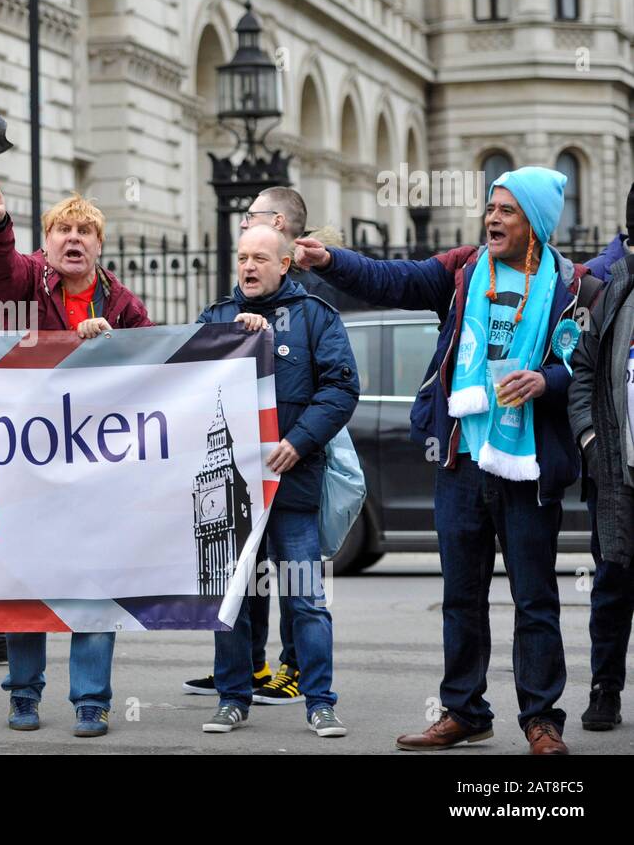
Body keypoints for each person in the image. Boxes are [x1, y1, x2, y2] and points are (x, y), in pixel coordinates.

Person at [296, 166, 594, 755]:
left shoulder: (572, 286)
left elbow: (581, 368)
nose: (492, 219)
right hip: (460, 459)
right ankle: (464, 711)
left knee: (534, 598)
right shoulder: (461, 271)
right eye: (490, 208)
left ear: (533, 221)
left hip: (529, 466)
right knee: (462, 594)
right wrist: (330, 261)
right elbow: (392, 279)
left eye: (507, 210)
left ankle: (541, 720)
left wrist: (546, 381)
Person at [0, 178, 152, 737]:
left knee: (93, 587)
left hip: (97, 471)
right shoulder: (25, 280)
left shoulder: (123, 304)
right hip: (25, 464)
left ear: (100, 245)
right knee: (28, 583)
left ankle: (91, 702)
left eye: (85, 232)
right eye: (63, 230)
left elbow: (156, 375)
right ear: (46, 243)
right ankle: (23, 695)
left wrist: (113, 346)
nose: (73, 239)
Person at [197, 228, 359, 738]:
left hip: (293, 486)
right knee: (233, 598)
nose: (248, 266)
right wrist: (237, 342)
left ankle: (320, 703)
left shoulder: (316, 317)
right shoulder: (217, 318)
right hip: (233, 491)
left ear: (285, 263)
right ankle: (232, 698)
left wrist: (301, 441)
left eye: (260, 258)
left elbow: (341, 387)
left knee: (305, 599)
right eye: (242, 257)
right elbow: (187, 384)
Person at [568, 190, 634, 731]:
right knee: (612, 583)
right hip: (617, 475)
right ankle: (604, 691)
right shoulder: (609, 296)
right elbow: (582, 375)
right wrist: (590, 441)